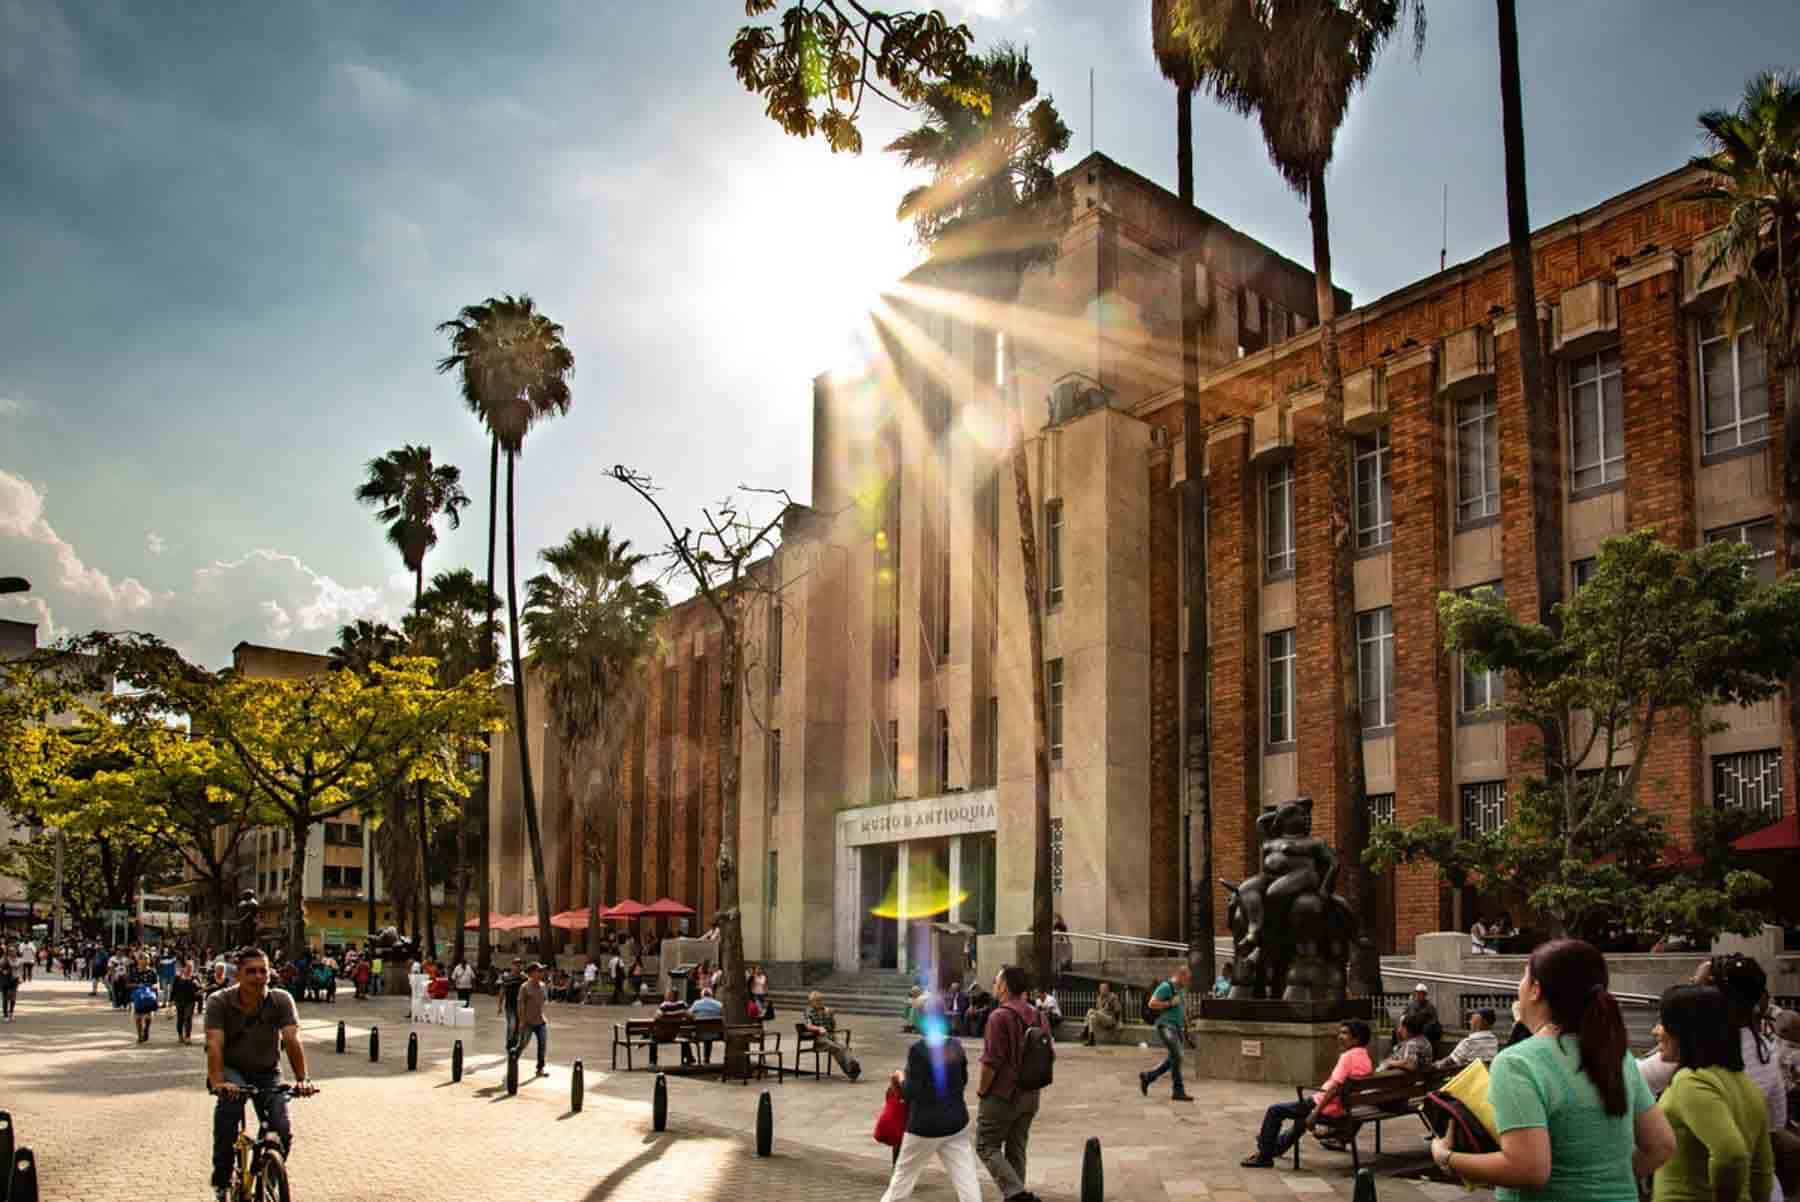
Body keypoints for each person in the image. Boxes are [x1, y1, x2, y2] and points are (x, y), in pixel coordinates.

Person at [1428, 938, 1675, 1200]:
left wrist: (1447, 1157)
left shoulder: (1518, 1063)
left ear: (1536, 989)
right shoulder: (1617, 1056)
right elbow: (1661, 1145)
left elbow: (1529, 1169)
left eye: (1523, 978)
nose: (1518, 988)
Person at [205, 948, 317, 1201]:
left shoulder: (281, 1000)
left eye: (263, 971)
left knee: (282, 1128)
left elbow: (291, 1037)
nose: (258, 977)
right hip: (231, 1069)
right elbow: (214, 1044)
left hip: (268, 1071)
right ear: (238, 975)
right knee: (229, 1112)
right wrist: (217, 1082)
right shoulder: (219, 1001)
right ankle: (222, 1180)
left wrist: (302, 1079)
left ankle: (268, 1176)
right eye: (251, 971)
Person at [1650, 983, 1774, 1202]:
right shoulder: (1745, 1084)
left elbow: (1731, 1155)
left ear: (1686, 1030)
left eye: (1664, 1022)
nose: (1656, 1031)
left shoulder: (1690, 1082)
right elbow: (1762, 1170)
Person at [879, 996, 983, 1202]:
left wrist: (900, 1077)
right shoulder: (955, 1045)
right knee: (967, 1179)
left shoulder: (918, 1050)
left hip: (924, 1126)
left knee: (902, 1179)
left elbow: (911, 1092)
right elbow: (962, 1081)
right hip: (955, 1122)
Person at [1243, 1019, 1375, 1167]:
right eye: (1340, 1032)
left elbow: (1334, 1089)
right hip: (1344, 1107)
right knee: (1300, 1118)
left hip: (1326, 1105)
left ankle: (1264, 1155)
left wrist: (1315, 1113)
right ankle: (1275, 1146)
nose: (1339, 1036)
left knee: (1275, 1111)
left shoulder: (1347, 1057)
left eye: (1344, 1033)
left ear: (1356, 1038)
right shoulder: (1365, 1058)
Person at [1712, 954, 1789, 1202]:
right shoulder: (1766, 1050)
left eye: (1698, 982)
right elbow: (1777, 1121)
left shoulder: (1698, 1056)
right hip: (1765, 1187)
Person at [977, 965, 1049, 1202]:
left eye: (997, 981)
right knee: (1016, 1149)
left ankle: (1018, 1196)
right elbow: (1051, 1054)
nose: (994, 986)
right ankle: (1016, 1196)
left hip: (1002, 1094)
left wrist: (982, 1089)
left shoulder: (999, 1017)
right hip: (1031, 1094)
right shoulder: (1039, 1015)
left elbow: (991, 1062)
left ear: (1005, 986)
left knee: (986, 1145)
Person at [1139, 966, 1194, 1102]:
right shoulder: (1165, 986)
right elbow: (1152, 1003)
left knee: (1175, 1058)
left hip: (1177, 1028)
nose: (1188, 982)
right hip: (1165, 1026)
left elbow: (1181, 1008)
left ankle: (1149, 1076)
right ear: (1180, 976)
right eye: (1187, 979)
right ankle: (1178, 1090)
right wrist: (1169, 1003)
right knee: (1178, 1055)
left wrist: (1186, 1026)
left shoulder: (1181, 989)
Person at [802, 990, 861, 1079]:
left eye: (820, 1000)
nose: (819, 1002)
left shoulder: (826, 1010)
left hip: (831, 1036)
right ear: (811, 1002)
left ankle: (852, 1066)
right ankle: (851, 1069)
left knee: (843, 1047)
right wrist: (819, 1028)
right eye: (817, 1000)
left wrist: (831, 1016)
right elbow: (808, 1025)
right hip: (820, 1039)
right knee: (838, 1048)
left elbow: (833, 1027)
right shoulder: (809, 1011)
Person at [510, 962, 550, 1077]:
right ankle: (513, 1061)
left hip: (540, 1021)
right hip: (528, 1022)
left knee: (542, 1045)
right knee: (522, 1045)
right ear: (532, 973)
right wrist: (522, 1021)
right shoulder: (524, 987)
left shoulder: (542, 985)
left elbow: (543, 1000)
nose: (541, 973)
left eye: (541, 971)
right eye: (539, 971)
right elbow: (520, 1005)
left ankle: (540, 1068)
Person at [1080, 981, 1122, 1047]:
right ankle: (1091, 1040)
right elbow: (1099, 1010)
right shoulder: (1099, 998)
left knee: (1090, 1010)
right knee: (1091, 1017)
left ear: (1108, 989)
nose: (1102, 990)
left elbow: (1118, 1010)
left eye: (1104, 988)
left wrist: (1118, 1023)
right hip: (1101, 1018)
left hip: (1110, 1019)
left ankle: (1085, 1031)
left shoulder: (1113, 997)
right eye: (1101, 988)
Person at [171, 960, 202, 1045]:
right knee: (180, 1019)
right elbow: (173, 990)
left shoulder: (195, 978)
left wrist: (198, 985)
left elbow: (200, 990)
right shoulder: (178, 977)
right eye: (187, 967)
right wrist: (171, 1002)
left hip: (190, 1001)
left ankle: (188, 1037)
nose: (189, 969)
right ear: (184, 968)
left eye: (191, 967)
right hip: (179, 1001)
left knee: (188, 1019)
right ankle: (180, 1036)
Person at [497, 958, 525, 1047]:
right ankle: (509, 1042)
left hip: (520, 1006)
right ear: (512, 966)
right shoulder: (507, 978)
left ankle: (514, 1042)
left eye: (519, 964)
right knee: (511, 1024)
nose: (518, 966)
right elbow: (502, 992)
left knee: (517, 1025)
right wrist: (499, 1006)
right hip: (510, 1006)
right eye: (516, 964)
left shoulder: (524, 978)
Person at [0, 945, 18, 1022]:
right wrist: (2, 971)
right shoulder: (3, 959)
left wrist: (19, 977)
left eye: (13, 951)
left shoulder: (16, 959)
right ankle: (5, 1015)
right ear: (7, 952)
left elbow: (18, 969)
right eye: (10, 951)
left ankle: (11, 1013)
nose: (12, 952)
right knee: (5, 998)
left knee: (13, 998)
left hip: (14, 980)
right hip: (5, 980)